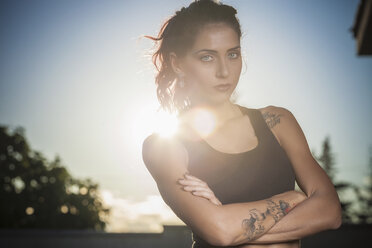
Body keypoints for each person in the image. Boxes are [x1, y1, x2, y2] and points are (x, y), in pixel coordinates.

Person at [141, 0, 342, 247]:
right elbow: (221, 231)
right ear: (177, 64)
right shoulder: (164, 147)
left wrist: (234, 225)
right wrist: (293, 199)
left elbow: (330, 211)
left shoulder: (277, 122)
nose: (224, 71)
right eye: (207, 57)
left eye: (233, 54)